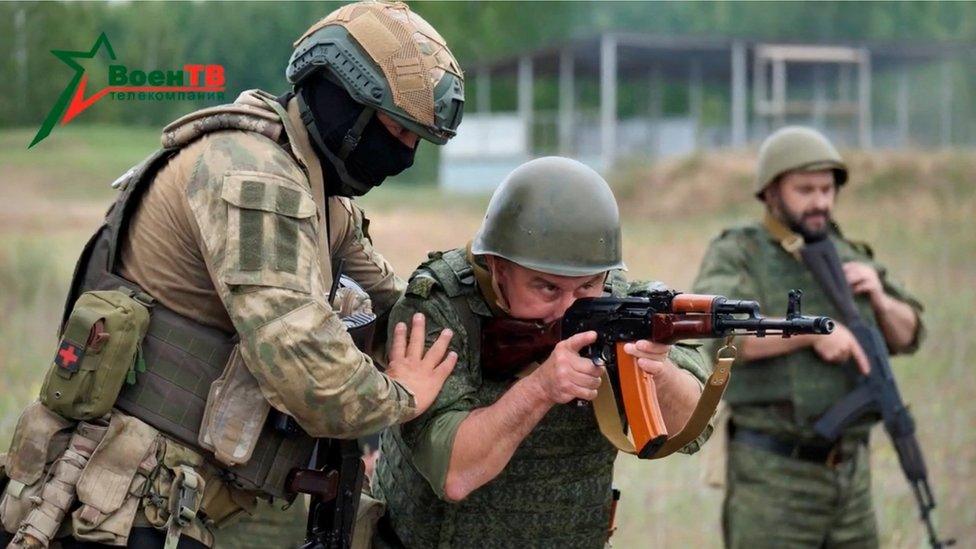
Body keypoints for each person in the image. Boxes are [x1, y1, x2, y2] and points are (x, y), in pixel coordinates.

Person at [0, 2, 464, 548]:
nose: (403, 156)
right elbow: (312, 377)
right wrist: (403, 395)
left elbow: (401, 304)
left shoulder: (318, 195)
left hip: (182, 504)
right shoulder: (254, 179)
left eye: (416, 140)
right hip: (121, 507)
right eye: (393, 129)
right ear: (340, 98)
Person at [371, 157, 711, 548]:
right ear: (498, 268)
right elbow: (455, 474)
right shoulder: (440, 309)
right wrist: (541, 388)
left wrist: (659, 372)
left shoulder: (622, 302)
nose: (569, 308)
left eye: (587, 287)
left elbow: (691, 432)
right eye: (547, 288)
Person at [692, 126, 925, 548]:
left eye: (827, 189)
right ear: (771, 191)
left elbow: (911, 334)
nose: (820, 201)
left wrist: (880, 298)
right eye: (805, 189)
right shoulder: (741, 252)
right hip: (774, 477)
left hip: (850, 477)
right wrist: (812, 333)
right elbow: (722, 332)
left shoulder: (847, 254)